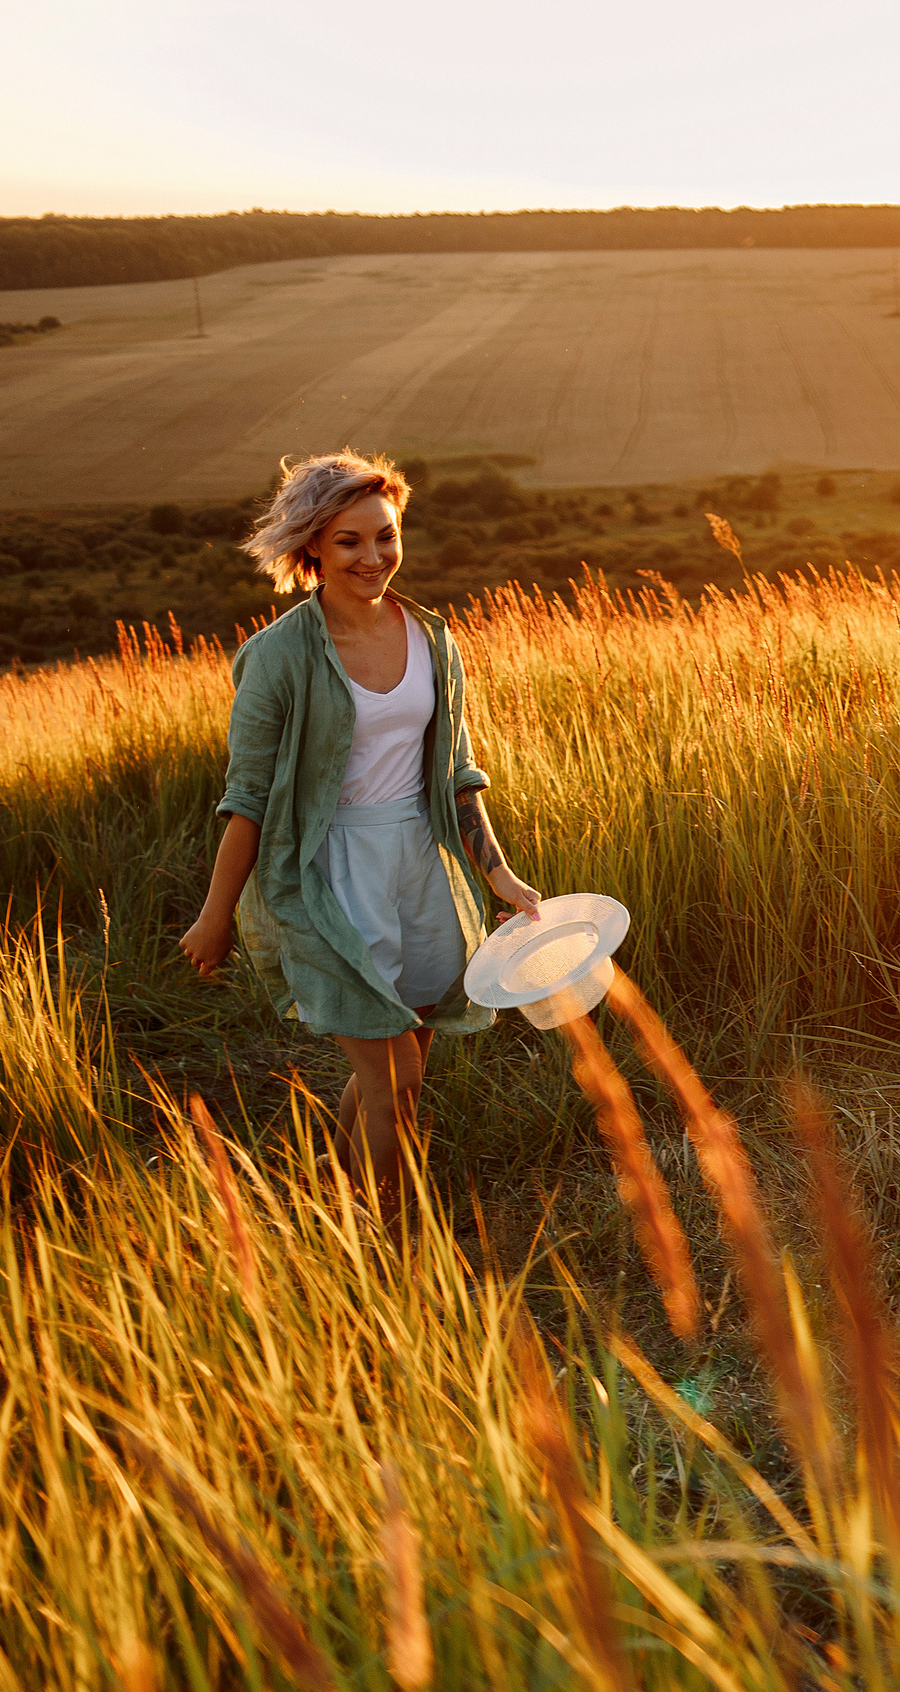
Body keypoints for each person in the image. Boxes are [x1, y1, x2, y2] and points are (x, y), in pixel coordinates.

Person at [177, 449, 542, 1196]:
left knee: (397, 1067)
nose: (374, 557)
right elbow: (247, 798)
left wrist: (497, 871)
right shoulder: (276, 659)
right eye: (350, 540)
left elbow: (457, 773)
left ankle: (338, 1202)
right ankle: (385, 1248)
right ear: (311, 544)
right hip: (327, 876)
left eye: (386, 535)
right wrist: (216, 918)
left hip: (419, 864)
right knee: (397, 1081)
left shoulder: (433, 638)